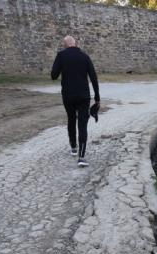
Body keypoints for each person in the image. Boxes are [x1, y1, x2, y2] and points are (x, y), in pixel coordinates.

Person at [51, 35, 100, 167]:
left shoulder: (61, 55)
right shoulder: (84, 56)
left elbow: (53, 76)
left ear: (65, 45)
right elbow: (93, 77)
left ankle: (73, 147)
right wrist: (97, 97)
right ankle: (82, 157)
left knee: (71, 119)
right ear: (75, 43)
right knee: (82, 124)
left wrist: (62, 69)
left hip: (68, 95)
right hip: (83, 96)